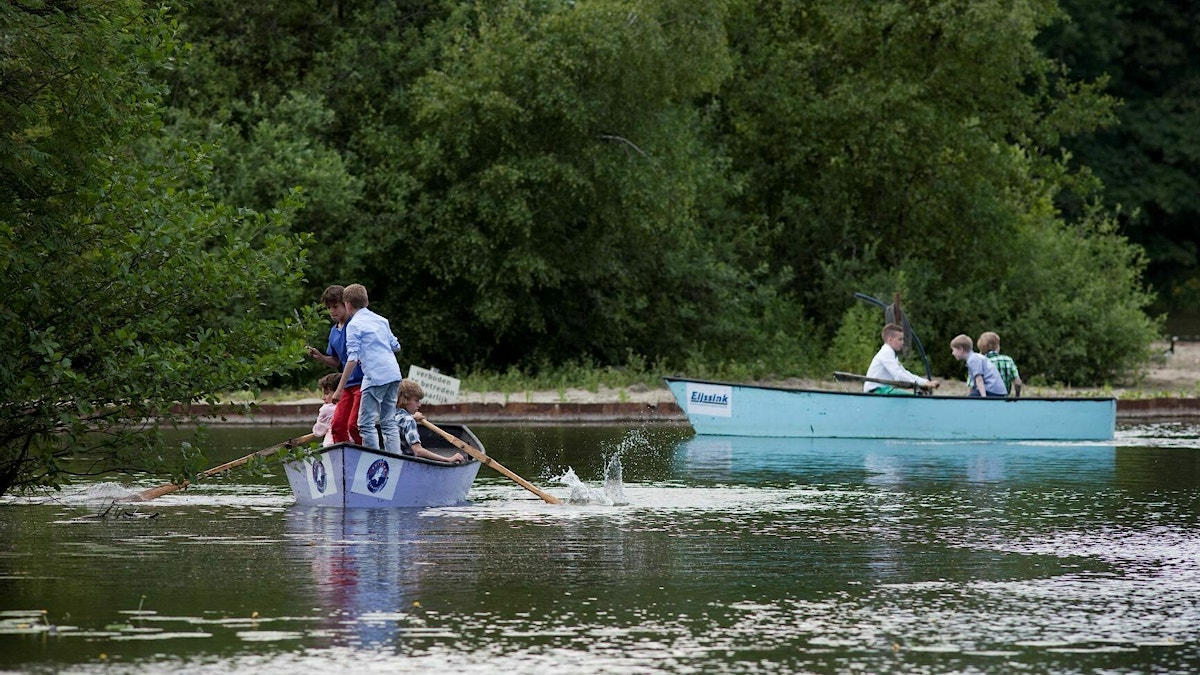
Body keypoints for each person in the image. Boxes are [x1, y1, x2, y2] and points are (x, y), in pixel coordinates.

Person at [331, 284, 403, 454]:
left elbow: (352, 358)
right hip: (394, 374)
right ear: (366, 301)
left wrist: (339, 389)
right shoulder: (381, 320)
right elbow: (396, 346)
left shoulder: (354, 325)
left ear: (347, 304)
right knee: (388, 421)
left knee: (365, 423)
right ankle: (395, 457)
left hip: (375, 377)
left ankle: (375, 460)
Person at [305, 285, 363, 444]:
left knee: (354, 425)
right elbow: (336, 361)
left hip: (363, 382)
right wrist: (320, 356)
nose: (332, 311)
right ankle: (344, 457)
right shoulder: (333, 332)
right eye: (329, 308)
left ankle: (364, 453)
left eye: (335, 306)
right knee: (337, 425)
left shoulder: (356, 324)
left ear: (346, 304)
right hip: (346, 384)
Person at [395, 379, 465, 464]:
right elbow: (418, 451)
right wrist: (448, 459)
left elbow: (402, 420)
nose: (419, 405)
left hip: (395, 457)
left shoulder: (391, 415)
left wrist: (412, 417)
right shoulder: (409, 421)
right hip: (407, 463)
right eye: (416, 400)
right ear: (405, 400)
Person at [865, 323, 940, 394]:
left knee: (912, 398)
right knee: (910, 399)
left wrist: (925, 382)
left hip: (884, 389)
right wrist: (919, 385)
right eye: (900, 339)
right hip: (876, 391)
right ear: (890, 340)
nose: (903, 342)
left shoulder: (891, 354)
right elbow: (898, 375)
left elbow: (904, 372)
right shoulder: (886, 353)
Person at [977, 331, 1022, 397]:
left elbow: (973, 385)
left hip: (985, 400)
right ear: (997, 346)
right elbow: (1018, 383)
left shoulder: (979, 362)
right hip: (1003, 399)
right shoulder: (1007, 360)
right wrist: (1017, 396)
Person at [312, 373, 340, 446]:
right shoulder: (355, 405)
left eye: (326, 393)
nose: (323, 398)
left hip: (331, 444)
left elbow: (318, 432)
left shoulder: (326, 409)